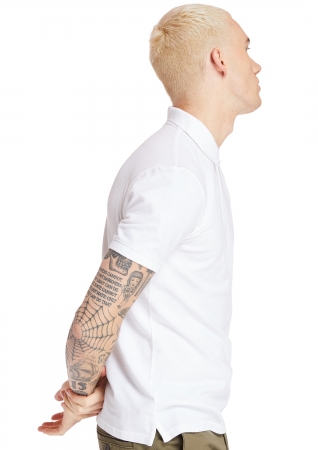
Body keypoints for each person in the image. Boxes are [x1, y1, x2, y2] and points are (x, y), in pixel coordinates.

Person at [38, 3, 261, 449]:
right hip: (169, 434)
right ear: (219, 59)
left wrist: (89, 388)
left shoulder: (183, 161)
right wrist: (80, 395)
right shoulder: (177, 173)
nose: (256, 65)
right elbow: (94, 319)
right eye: (247, 48)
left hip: (170, 427)